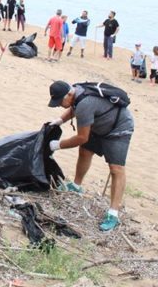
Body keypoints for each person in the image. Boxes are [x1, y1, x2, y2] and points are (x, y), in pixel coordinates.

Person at [47, 80, 135, 231]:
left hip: (118, 128)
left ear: (69, 93)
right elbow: (73, 108)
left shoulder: (85, 104)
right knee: (85, 151)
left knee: (116, 169)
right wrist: (60, 121)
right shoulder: (76, 92)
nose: (59, 104)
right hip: (99, 124)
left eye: (60, 101)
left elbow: (82, 137)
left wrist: (56, 145)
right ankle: (76, 185)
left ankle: (113, 214)